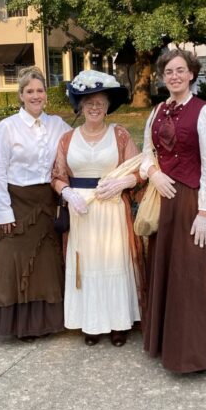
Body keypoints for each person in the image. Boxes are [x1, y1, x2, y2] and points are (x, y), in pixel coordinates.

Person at [140, 49, 206, 373]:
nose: (174, 76)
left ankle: (194, 354)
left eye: (180, 70)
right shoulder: (157, 111)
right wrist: (153, 173)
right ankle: (168, 346)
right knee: (168, 274)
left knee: (193, 278)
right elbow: (147, 153)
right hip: (165, 203)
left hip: (193, 203)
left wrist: (205, 212)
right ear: (163, 78)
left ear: (191, 74)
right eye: (169, 72)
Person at [52, 70, 145, 346]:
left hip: (112, 209)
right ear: (80, 106)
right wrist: (67, 192)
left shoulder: (120, 135)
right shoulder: (67, 139)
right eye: (89, 102)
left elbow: (140, 168)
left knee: (113, 262)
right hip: (82, 213)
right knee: (87, 265)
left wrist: (125, 182)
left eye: (100, 103)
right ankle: (91, 323)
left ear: (108, 107)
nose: (95, 108)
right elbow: (56, 176)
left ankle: (118, 323)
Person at [0, 67, 71, 340]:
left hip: (47, 201)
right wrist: (4, 213)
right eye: (30, 91)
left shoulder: (58, 124)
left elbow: (79, 146)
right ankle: (19, 326)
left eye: (40, 90)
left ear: (46, 94)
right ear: (21, 95)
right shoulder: (7, 127)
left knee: (46, 265)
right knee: (16, 262)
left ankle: (44, 323)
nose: (36, 95)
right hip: (18, 203)